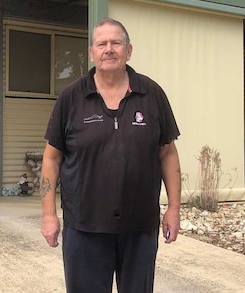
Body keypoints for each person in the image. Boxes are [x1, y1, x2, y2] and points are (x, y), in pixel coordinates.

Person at [40, 17, 182, 293]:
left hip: (139, 226)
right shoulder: (71, 98)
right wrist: (48, 215)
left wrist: (174, 209)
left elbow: (167, 153)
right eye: (101, 44)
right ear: (92, 53)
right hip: (84, 227)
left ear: (129, 51)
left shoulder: (151, 94)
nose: (109, 49)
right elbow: (51, 158)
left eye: (116, 43)